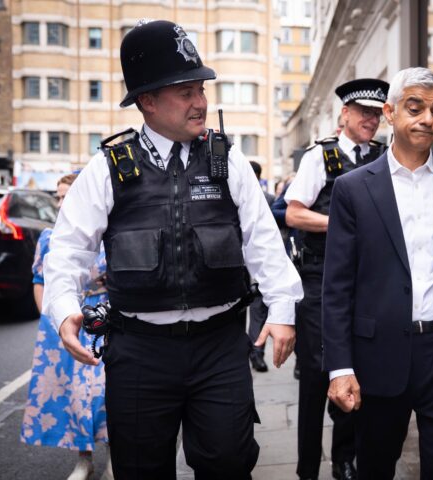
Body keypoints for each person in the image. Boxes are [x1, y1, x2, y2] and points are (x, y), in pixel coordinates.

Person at [42, 20, 302, 479]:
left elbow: (263, 241)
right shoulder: (108, 169)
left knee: (228, 461)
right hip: (139, 352)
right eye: (185, 91)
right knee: (141, 468)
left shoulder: (228, 159)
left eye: (200, 88)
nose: (200, 101)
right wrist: (64, 310)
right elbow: (67, 251)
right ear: (148, 100)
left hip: (220, 346)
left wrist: (283, 309)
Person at [322, 67, 433, 480]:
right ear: (390, 112)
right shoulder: (353, 188)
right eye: (415, 108)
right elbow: (337, 286)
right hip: (378, 354)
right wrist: (340, 367)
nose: (427, 120)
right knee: (376, 466)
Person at [285, 77, 389, 480]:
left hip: (370, 281)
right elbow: (294, 213)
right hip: (320, 278)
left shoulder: (384, 157)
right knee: (315, 374)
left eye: (377, 114)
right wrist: (341, 224)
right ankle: (307, 467)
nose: (371, 120)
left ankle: (344, 459)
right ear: (344, 114)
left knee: (358, 369)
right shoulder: (321, 157)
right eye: (363, 112)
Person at [21, 173, 113, 480]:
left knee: (106, 393)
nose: (61, 202)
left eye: (66, 196)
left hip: (104, 321)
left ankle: (114, 457)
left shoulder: (106, 233)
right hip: (65, 325)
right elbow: (39, 281)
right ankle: (83, 460)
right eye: (58, 197)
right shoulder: (48, 237)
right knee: (73, 395)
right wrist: (51, 322)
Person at [247, 160, 276, 373]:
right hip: (251, 268)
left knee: (258, 313)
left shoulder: (269, 200)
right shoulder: (269, 200)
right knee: (258, 312)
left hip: (254, 269)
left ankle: (256, 354)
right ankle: (253, 354)